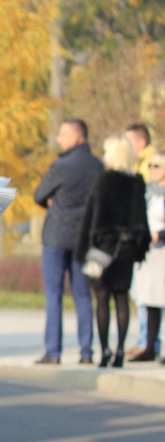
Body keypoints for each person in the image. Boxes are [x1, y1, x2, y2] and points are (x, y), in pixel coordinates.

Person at [75, 135, 150, 367]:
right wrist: (140, 248)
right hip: (127, 247)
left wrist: (83, 249)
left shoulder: (104, 180)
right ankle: (119, 351)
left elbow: (92, 217)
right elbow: (141, 219)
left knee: (102, 298)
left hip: (104, 245)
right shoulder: (136, 182)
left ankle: (105, 350)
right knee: (121, 297)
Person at [34, 118, 104, 365]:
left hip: (56, 237)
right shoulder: (98, 166)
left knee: (54, 294)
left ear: (76, 137)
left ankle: (53, 352)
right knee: (83, 294)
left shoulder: (61, 166)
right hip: (84, 238)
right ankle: (86, 352)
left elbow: (39, 195)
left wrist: (52, 201)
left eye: (62, 134)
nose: (58, 139)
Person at [130, 148, 165, 362]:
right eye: (150, 165)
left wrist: (160, 234)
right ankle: (150, 346)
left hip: (162, 251)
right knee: (149, 300)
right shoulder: (146, 191)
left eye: (157, 166)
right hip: (147, 253)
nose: (152, 169)